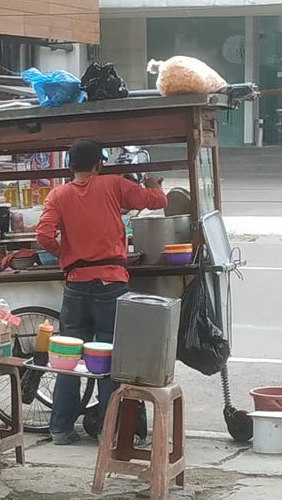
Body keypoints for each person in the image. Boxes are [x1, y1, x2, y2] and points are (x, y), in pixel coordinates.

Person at [36, 138, 167, 445]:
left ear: (71, 166)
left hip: (76, 284)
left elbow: (43, 235)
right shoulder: (114, 184)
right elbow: (157, 202)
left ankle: (60, 430)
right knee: (111, 359)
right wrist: (153, 185)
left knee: (67, 360)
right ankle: (115, 432)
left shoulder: (59, 194)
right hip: (111, 283)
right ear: (99, 164)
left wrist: (64, 254)